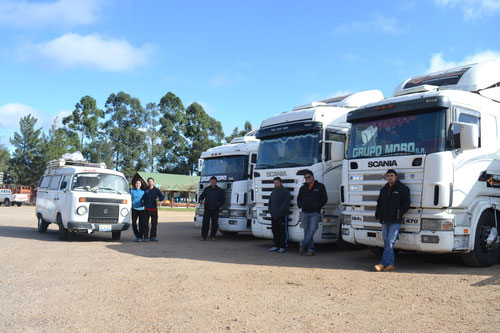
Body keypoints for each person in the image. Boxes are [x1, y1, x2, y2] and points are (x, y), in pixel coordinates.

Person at [374, 169, 410, 272]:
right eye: (388, 176)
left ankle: (382, 263)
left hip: (395, 220)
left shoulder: (403, 189)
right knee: (386, 242)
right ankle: (391, 264)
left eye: (392, 175)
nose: (390, 177)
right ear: (386, 177)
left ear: (396, 177)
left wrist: (399, 213)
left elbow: (407, 203)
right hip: (384, 220)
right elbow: (379, 203)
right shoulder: (383, 190)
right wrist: (378, 214)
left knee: (390, 242)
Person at [297, 170, 328, 256]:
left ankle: (302, 243)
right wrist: (300, 205)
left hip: (315, 213)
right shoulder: (302, 188)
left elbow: (324, 199)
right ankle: (310, 249)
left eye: (308, 177)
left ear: (313, 177)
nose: (307, 179)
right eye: (305, 178)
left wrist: (318, 206)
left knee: (313, 229)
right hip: (304, 213)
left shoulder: (320, 186)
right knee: (306, 232)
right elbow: (299, 199)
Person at [268, 177, 291, 253]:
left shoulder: (285, 191)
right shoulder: (273, 191)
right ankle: (276, 245)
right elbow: (270, 202)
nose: (276, 184)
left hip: (282, 215)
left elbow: (286, 203)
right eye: (275, 183)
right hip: (273, 215)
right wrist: (270, 210)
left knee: (282, 231)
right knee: (275, 231)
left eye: (277, 182)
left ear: (281, 183)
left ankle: (283, 246)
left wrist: (280, 211)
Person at [199, 176, 225, 240]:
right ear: (210, 182)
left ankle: (213, 236)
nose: (213, 182)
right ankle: (203, 236)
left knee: (215, 223)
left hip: (216, 209)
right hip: (207, 208)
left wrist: (219, 204)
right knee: (205, 223)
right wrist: (200, 200)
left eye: (214, 181)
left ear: (216, 182)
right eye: (212, 181)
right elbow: (202, 196)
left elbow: (223, 199)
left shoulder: (220, 190)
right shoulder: (206, 189)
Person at [142, 177, 165, 242]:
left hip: (154, 209)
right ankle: (146, 237)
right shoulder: (145, 190)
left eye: (151, 181)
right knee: (145, 223)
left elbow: (162, 197)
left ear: (153, 182)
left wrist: (159, 199)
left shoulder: (156, 190)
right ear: (148, 182)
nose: (150, 182)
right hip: (146, 209)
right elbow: (142, 198)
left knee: (154, 223)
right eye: (149, 181)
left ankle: (153, 237)